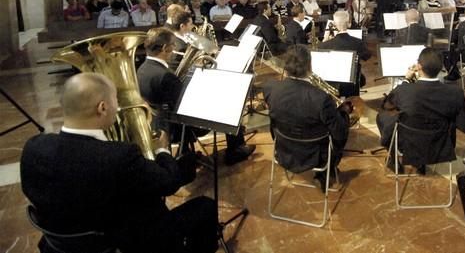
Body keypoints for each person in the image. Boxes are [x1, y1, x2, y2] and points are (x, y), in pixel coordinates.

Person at [20, 73, 217, 253]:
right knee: (205, 207)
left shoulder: (34, 147)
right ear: (102, 107)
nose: (118, 107)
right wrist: (162, 149)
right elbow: (168, 183)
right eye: (116, 100)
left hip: (60, 244)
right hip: (124, 244)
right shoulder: (119, 157)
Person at [137, 28, 255, 164]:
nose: (175, 47)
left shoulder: (143, 68)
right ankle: (236, 150)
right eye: (173, 44)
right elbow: (187, 104)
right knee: (229, 102)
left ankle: (187, 151)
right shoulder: (165, 75)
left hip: (159, 121)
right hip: (181, 127)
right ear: (165, 48)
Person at [263, 45, 350, 191]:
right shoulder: (321, 98)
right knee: (343, 122)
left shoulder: (270, 88)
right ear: (309, 65)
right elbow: (339, 133)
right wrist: (343, 113)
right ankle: (327, 169)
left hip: (284, 150)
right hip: (316, 156)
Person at [376, 47, 465, 170]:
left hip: (408, 145)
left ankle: (394, 160)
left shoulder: (404, 90)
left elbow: (386, 105)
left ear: (419, 67)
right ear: (441, 68)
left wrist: (406, 80)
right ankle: (420, 163)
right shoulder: (456, 92)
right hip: (441, 147)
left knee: (381, 117)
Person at [320, 11, 371, 97]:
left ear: (334, 26)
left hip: (332, 84)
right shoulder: (357, 42)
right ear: (349, 24)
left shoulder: (325, 45)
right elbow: (367, 56)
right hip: (351, 85)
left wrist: (325, 39)